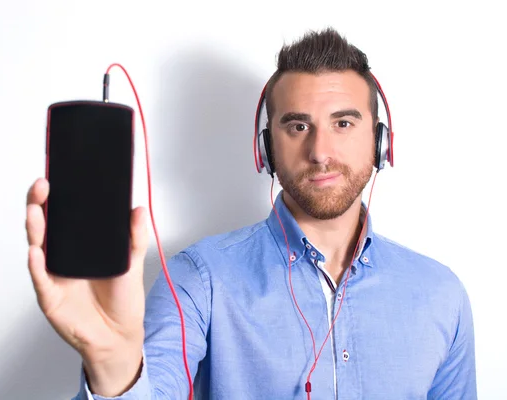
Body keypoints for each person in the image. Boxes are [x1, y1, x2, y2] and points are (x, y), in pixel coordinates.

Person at [25, 27, 477, 399]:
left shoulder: (441, 295)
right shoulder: (196, 280)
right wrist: (112, 361)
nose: (320, 152)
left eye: (343, 123)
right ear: (266, 149)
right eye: (297, 125)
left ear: (381, 143)